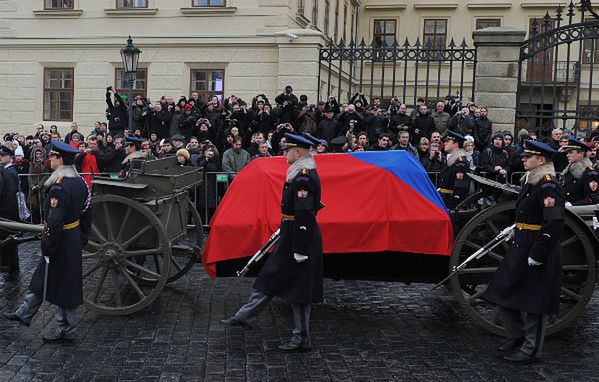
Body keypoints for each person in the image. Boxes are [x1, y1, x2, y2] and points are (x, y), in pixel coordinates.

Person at [221, 133, 323, 353]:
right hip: (290, 233)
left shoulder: (303, 177)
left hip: (299, 238)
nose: (284, 153)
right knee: (270, 276)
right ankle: (243, 316)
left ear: (298, 152)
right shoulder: (298, 175)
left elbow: (305, 213)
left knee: (300, 291)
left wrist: (301, 248)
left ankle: (302, 338)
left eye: (287, 150)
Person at [484, 140, 564, 364]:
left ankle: (531, 350)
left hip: (539, 248)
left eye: (528, 156)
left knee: (536, 302)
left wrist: (538, 254)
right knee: (504, 289)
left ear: (541, 160)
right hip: (522, 244)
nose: (523, 159)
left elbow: (554, 223)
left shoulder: (548, 185)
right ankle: (516, 336)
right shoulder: (532, 182)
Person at [4, 140, 92, 342]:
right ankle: (24, 312)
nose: (49, 159)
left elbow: (54, 221)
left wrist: (48, 244)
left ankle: (66, 330)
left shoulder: (60, 188)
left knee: (64, 285)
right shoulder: (80, 183)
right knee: (42, 277)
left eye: (52, 156)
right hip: (72, 237)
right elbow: (88, 213)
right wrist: (83, 237)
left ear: (60, 160)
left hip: (60, 240)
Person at [0, 146, 20, 278]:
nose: (0, 157)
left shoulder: (10, 172)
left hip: (7, 212)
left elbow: (10, 193)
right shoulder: (6, 171)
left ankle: (9, 265)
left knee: (8, 240)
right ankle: (10, 265)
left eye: (2, 155)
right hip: (8, 211)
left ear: (10, 157)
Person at [438, 131, 470, 210]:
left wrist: (456, 204)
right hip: (445, 199)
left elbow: (461, 186)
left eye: (447, 141)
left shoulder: (460, 162)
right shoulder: (452, 159)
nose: (444, 143)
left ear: (455, 144)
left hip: (451, 202)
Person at [561, 138, 599, 205]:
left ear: (581, 154)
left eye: (570, 152)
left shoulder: (589, 173)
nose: (567, 155)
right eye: (567, 153)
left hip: (577, 213)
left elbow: (592, 198)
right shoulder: (570, 169)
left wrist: (573, 205)